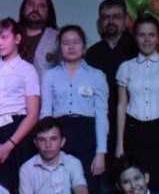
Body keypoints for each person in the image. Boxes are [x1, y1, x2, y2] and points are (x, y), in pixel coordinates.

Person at [116, 15, 159, 191]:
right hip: (134, 130)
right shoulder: (126, 67)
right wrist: (119, 144)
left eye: (151, 35)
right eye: (142, 35)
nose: (146, 40)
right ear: (135, 37)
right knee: (135, 183)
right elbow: (121, 106)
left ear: (158, 37)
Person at [40, 25, 108, 193]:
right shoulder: (49, 75)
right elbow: (45, 113)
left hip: (87, 136)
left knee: (87, 187)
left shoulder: (96, 75)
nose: (71, 47)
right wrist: (45, 146)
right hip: (59, 135)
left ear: (84, 46)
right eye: (66, 43)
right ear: (59, 47)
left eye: (76, 42)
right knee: (58, 188)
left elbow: (101, 115)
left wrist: (100, 153)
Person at [0, 18, 41, 193]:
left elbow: (32, 114)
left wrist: (9, 145)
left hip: (18, 131)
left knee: (20, 184)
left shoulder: (28, 70)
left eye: (4, 37)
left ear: (17, 39)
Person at [84, 0, 139, 175]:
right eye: (106, 17)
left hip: (133, 122)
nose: (111, 21)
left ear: (126, 19)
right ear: (99, 23)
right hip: (102, 123)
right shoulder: (92, 54)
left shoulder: (137, 49)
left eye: (116, 16)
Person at [18, 117, 88, 194]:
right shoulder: (27, 169)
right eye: (42, 140)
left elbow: (81, 189)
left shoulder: (73, 162)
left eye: (53, 139)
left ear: (62, 141)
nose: (48, 145)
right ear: (36, 143)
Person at [17, 0, 61, 76]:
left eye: (42, 6)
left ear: (48, 13)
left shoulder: (59, 39)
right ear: (23, 10)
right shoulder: (8, 37)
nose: (35, 9)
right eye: (31, 4)